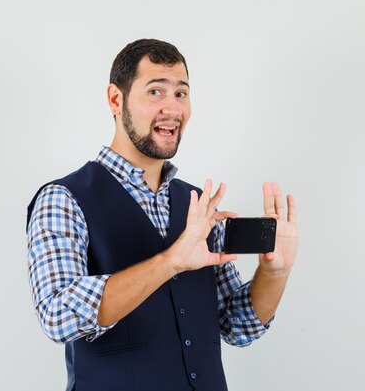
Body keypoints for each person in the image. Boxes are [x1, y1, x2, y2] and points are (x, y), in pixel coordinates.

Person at [26, 38, 298, 391]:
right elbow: (57, 316)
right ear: (115, 99)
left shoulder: (197, 204)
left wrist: (274, 273)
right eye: (155, 92)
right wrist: (170, 261)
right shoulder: (63, 199)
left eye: (181, 94)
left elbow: (237, 325)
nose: (172, 108)